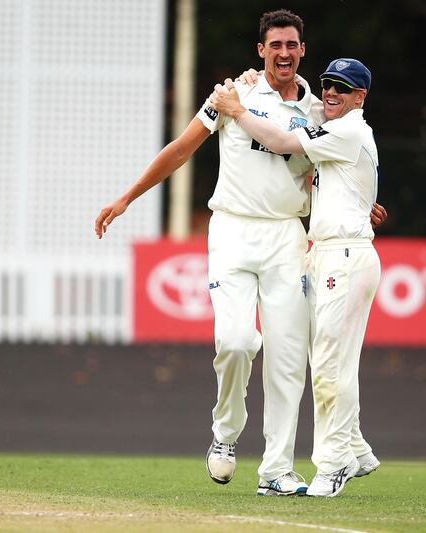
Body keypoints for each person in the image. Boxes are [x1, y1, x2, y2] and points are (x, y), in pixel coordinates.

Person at [95, 10, 384, 496]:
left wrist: (360, 204)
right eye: (276, 46)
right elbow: (182, 149)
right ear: (261, 51)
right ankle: (226, 434)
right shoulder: (233, 95)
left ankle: (275, 470)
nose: (285, 54)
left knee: (289, 358)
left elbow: (329, 168)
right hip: (231, 230)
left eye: (292, 45)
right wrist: (127, 197)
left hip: (289, 238)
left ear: (302, 51)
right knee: (234, 341)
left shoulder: (317, 108)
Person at [210, 57, 381, 497]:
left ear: (360, 96)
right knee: (327, 360)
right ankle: (357, 450)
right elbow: (326, 175)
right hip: (325, 253)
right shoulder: (335, 128)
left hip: (341, 254)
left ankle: (334, 462)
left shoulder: (345, 128)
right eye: (328, 84)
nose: (331, 92)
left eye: (343, 88)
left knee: (327, 363)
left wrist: (238, 110)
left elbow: (284, 142)